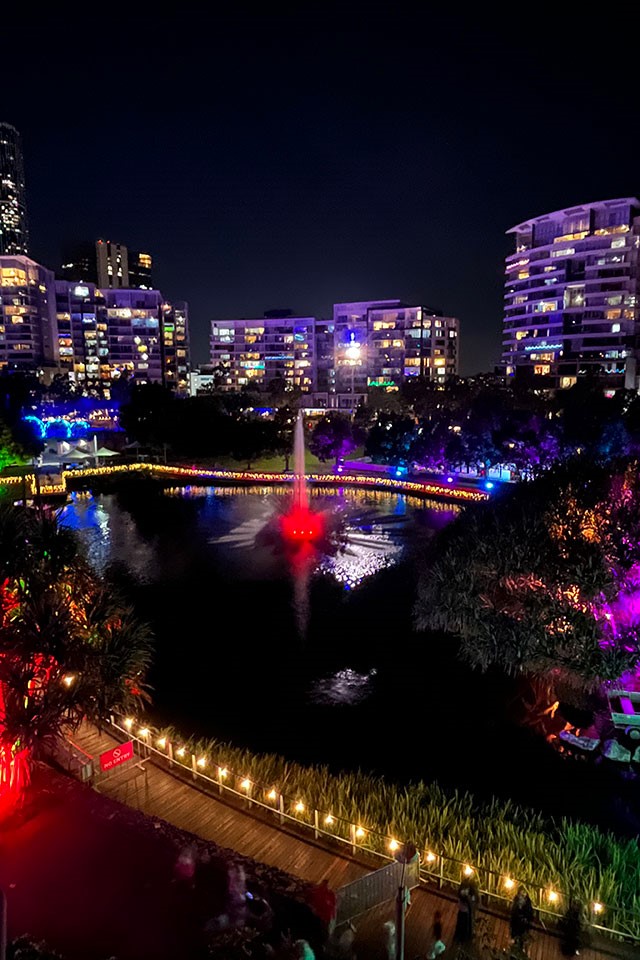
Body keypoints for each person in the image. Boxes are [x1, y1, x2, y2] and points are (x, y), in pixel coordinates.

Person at [307, 877, 338, 943]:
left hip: (322, 915)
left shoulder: (319, 891)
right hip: (324, 915)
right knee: (324, 928)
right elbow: (333, 904)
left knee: (322, 928)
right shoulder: (329, 893)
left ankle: (322, 939)